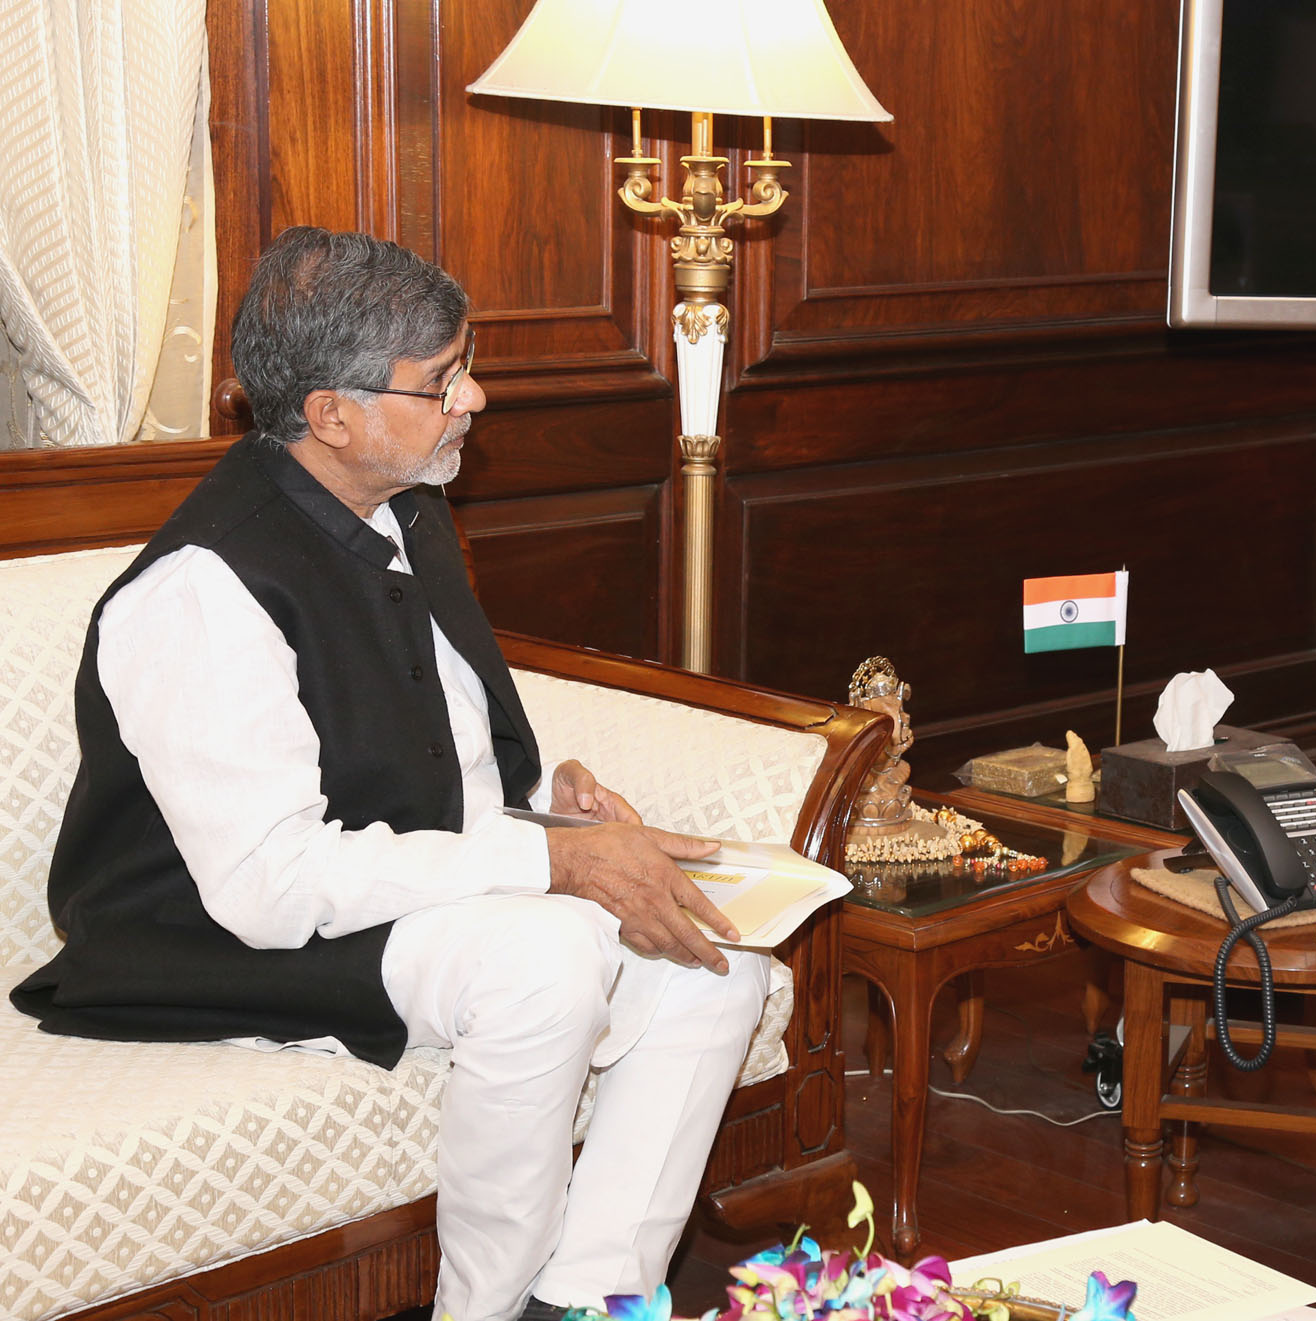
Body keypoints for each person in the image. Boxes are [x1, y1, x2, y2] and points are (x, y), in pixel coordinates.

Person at [11, 227, 770, 1321]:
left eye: (463, 363)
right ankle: (488, 1309)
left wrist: (551, 805)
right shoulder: (201, 590)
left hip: (380, 894)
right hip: (211, 939)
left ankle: (594, 1297)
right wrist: (551, 867)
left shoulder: (408, 506)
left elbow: (422, 732)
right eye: (442, 380)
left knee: (715, 955)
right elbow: (271, 888)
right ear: (331, 415)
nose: (476, 397)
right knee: (546, 957)